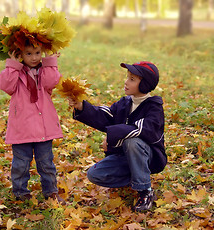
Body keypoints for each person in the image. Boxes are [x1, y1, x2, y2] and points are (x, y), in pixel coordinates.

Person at [69, 61, 167, 212]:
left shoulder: (154, 107)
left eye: (132, 79)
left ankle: (145, 190)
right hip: (125, 156)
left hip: (149, 158)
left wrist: (112, 136)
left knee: (132, 142)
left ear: (145, 84)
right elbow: (107, 115)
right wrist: (81, 106)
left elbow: (141, 129)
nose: (126, 82)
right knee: (94, 174)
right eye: (127, 77)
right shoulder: (125, 102)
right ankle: (136, 177)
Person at [0, 40, 65, 205]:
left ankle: (51, 191)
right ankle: (20, 192)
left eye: (37, 53)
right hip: (22, 128)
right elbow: (5, 85)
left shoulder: (44, 72)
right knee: (20, 164)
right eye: (28, 54)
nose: (34, 58)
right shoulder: (15, 74)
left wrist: (49, 63)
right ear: (20, 54)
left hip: (43, 129)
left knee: (46, 163)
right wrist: (12, 65)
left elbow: (52, 82)